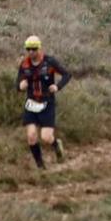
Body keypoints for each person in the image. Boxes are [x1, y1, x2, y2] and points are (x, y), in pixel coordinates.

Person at [15, 36, 71, 168]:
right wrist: (20, 85)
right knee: (31, 136)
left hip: (47, 102)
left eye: (34, 49)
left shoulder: (49, 62)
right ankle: (40, 166)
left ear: (39, 48)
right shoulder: (24, 64)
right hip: (31, 103)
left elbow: (67, 74)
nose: (31, 52)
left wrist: (57, 86)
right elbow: (18, 83)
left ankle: (56, 145)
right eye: (28, 49)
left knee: (46, 137)